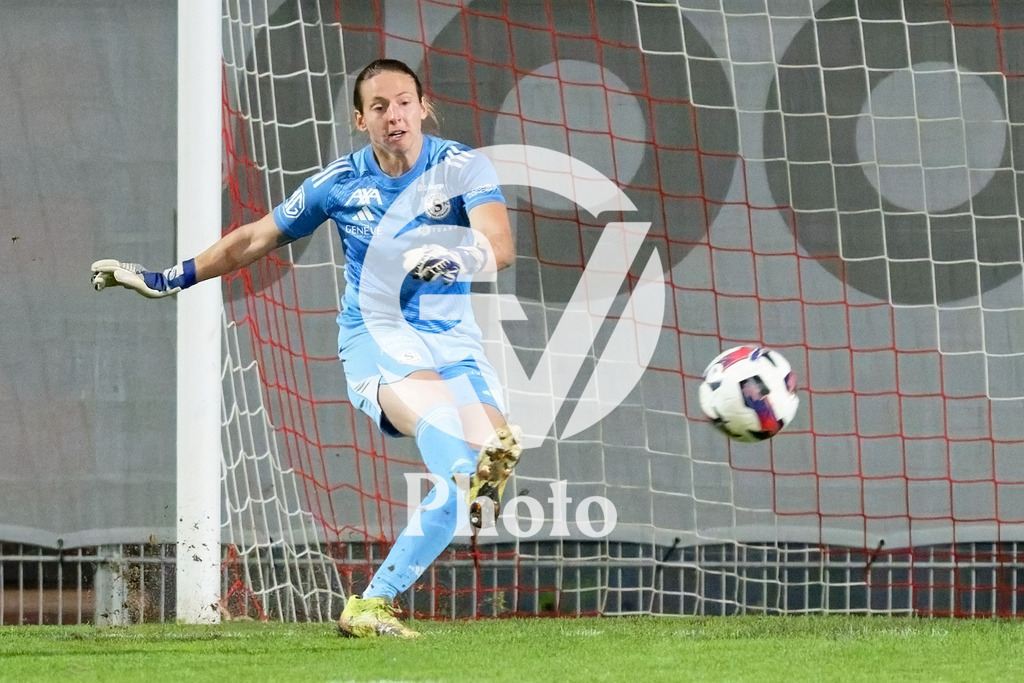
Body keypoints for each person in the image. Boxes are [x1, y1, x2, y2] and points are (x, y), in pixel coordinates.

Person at [91, 58, 523, 639]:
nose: (393, 115)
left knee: (491, 459)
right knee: (458, 469)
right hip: (380, 342)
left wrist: (455, 256)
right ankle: (370, 605)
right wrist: (170, 278)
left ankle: (468, 487)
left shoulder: (462, 167)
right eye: (379, 107)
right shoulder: (339, 183)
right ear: (360, 119)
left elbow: (499, 245)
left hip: (453, 346)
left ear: (423, 107)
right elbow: (254, 238)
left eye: (403, 102)